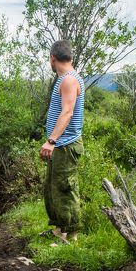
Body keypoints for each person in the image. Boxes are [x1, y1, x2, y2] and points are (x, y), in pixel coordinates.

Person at [39, 39, 85, 243]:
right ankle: (60, 230)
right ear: (71, 57)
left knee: (66, 188)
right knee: (53, 188)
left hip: (66, 145)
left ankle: (71, 236)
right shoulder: (66, 78)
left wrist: (51, 140)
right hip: (61, 145)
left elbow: (67, 112)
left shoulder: (68, 80)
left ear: (52, 58)